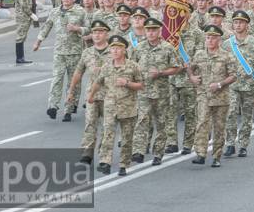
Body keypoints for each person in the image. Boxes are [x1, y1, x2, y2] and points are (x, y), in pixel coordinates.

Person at [88, 35, 144, 176]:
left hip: (128, 107)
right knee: (108, 134)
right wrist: (91, 95)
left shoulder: (133, 66)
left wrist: (127, 83)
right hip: (110, 106)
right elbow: (98, 82)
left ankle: (124, 164)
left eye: (118, 48)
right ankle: (105, 162)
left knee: (126, 137)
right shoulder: (106, 67)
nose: (115, 51)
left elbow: (141, 85)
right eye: (112, 48)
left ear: (124, 50)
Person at [34, 0, 88, 121]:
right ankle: (53, 106)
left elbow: (89, 28)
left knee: (73, 82)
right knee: (57, 78)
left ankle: (69, 109)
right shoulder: (55, 12)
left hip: (75, 52)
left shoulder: (80, 11)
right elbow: (47, 26)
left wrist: (77, 29)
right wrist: (38, 41)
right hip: (59, 52)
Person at [131, 17, 180, 166]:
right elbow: (132, 67)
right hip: (143, 92)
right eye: (148, 30)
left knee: (161, 123)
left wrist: (160, 73)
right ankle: (138, 151)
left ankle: (158, 153)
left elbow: (177, 68)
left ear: (160, 32)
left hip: (161, 93)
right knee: (141, 121)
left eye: (154, 30)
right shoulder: (139, 48)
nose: (151, 33)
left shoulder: (167, 48)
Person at [188, 24, 238, 168]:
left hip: (221, 97)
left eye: (213, 38)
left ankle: (216, 156)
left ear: (219, 40)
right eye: (208, 37)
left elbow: (233, 76)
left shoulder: (226, 56)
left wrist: (220, 84)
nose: (210, 40)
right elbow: (190, 68)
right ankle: (201, 154)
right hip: (203, 95)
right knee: (202, 123)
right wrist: (192, 77)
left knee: (219, 127)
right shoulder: (199, 54)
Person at [66, 20, 111, 163]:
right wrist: (71, 91)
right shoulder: (87, 53)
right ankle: (87, 152)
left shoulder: (115, 51)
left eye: (100, 32)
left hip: (111, 95)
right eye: (94, 32)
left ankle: (104, 156)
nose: (97, 35)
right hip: (92, 95)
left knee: (107, 126)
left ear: (106, 34)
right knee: (90, 123)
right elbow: (78, 73)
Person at [223, 10, 254, 158]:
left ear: (247, 24)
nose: (238, 25)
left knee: (247, 116)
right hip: (232, 86)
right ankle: (230, 144)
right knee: (231, 113)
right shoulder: (227, 44)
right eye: (235, 22)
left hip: (249, 85)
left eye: (241, 22)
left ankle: (243, 144)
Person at [13, 0, 35, 64]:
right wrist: (31, 14)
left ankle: (21, 57)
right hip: (22, 16)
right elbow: (24, 5)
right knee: (20, 36)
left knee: (22, 36)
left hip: (25, 15)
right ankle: (19, 58)